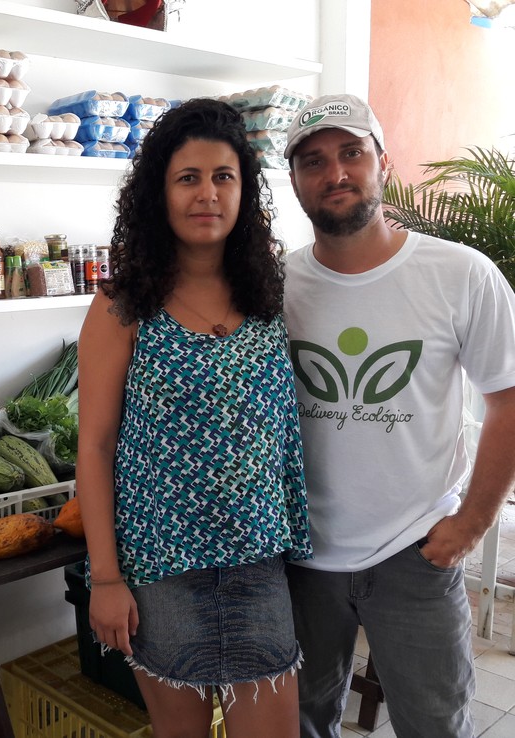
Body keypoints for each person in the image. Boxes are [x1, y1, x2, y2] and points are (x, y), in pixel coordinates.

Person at [76, 97, 313, 738]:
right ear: (160, 192)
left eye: (223, 177)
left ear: (243, 190)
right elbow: (94, 448)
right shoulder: (122, 304)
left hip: (259, 563)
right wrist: (104, 579)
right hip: (161, 572)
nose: (207, 194)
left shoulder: (269, 293)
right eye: (188, 178)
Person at [282, 93, 515, 738]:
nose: (335, 173)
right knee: (300, 722)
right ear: (294, 179)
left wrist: (471, 521)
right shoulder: (274, 284)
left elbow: (509, 399)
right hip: (301, 556)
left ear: (382, 160)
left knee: (435, 724)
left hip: (415, 551)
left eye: (351, 152)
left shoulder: (461, 274)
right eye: (313, 161)